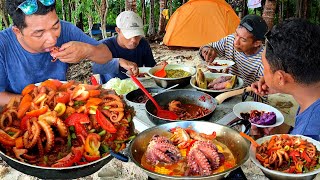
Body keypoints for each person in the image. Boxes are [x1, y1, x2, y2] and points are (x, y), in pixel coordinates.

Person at [0, 0, 137, 106]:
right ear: (17, 31)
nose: (52, 38)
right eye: (39, 33)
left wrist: (87, 51)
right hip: (20, 112)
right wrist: (43, 102)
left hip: (64, 103)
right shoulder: (3, 45)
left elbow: (106, 55)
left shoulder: (67, 30)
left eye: (55, 26)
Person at [251, 18, 320, 140]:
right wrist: (282, 130)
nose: (263, 74)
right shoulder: (311, 95)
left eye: (264, 67)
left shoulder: (307, 139)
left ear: (280, 78)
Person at [199, 14, 268, 87]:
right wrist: (206, 50)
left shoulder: (263, 60)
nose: (235, 42)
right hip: (226, 87)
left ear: (257, 43)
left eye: (243, 40)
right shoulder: (230, 40)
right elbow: (207, 47)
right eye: (237, 34)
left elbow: (259, 89)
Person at [93, 11, 156, 83]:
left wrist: (159, 68)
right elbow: (95, 68)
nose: (134, 40)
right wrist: (118, 61)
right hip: (111, 90)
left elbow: (151, 67)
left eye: (137, 35)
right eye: (129, 35)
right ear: (118, 30)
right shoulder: (104, 45)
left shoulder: (143, 43)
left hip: (137, 87)